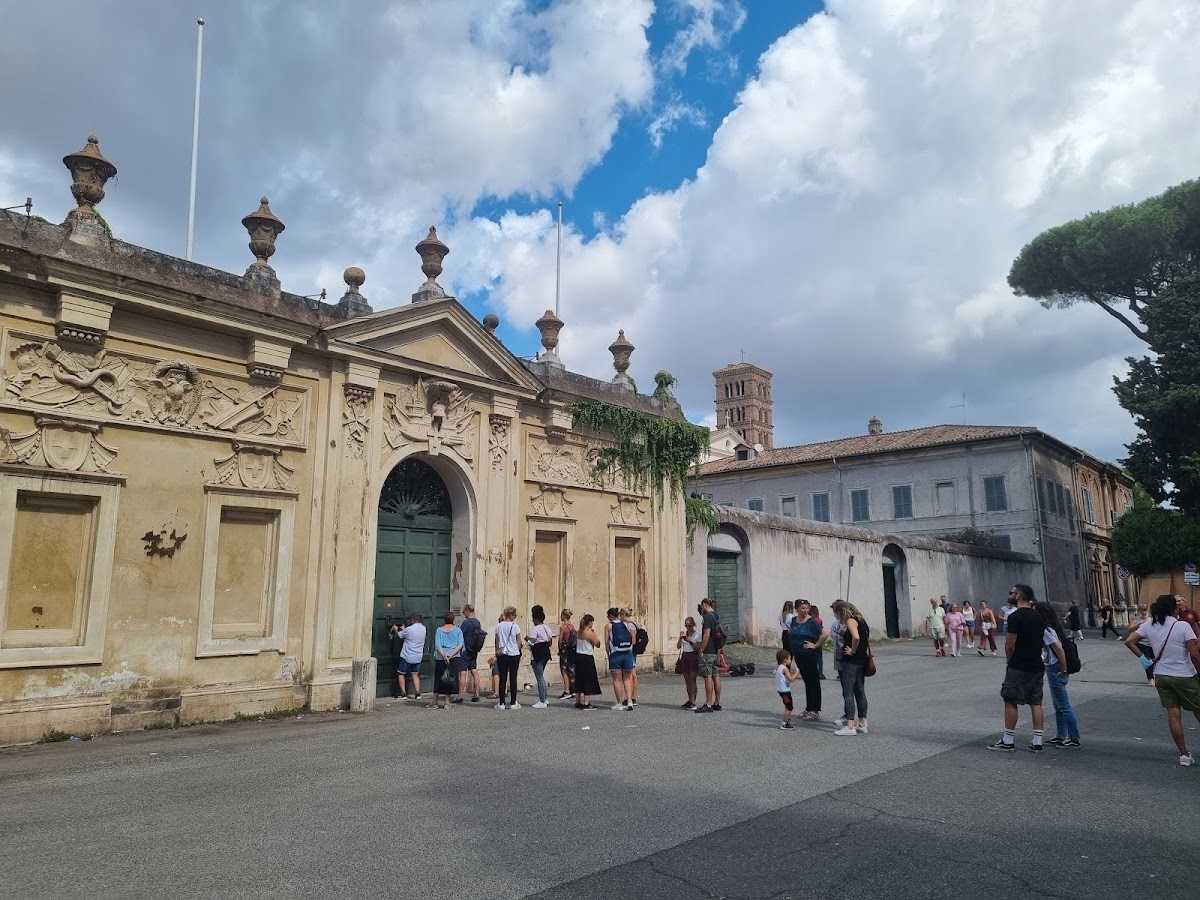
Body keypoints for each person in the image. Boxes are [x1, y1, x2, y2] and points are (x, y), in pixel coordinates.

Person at [1126, 594, 1200, 766]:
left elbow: (1130, 641)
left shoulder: (1150, 625)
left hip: (1161, 675)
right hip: (1184, 674)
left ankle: (1184, 755)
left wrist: (1145, 660)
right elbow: (1194, 654)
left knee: (1173, 715)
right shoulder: (1182, 626)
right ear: (1173, 608)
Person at [988, 584, 1053, 752]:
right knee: (1036, 702)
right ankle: (1037, 740)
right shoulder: (1038, 616)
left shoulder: (1015, 617)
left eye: (1012, 593)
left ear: (1019, 596)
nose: (1009, 595)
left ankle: (1008, 739)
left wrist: (1010, 661)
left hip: (1020, 664)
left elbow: (1010, 644)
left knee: (1010, 699)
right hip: (1037, 664)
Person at [1037, 602, 1080, 747]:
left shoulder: (1046, 630)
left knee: (1064, 705)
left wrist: (1063, 668)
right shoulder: (1052, 628)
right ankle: (1061, 735)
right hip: (1055, 666)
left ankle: (1074, 737)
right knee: (1058, 705)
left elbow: (1059, 649)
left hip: (1055, 667)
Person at [831, 599, 869, 736]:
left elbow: (856, 637)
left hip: (851, 661)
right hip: (861, 660)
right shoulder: (862, 621)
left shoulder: (850, 621)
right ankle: (863, 722)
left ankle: (850, 725)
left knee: (848, 692)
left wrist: (852, 650)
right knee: (860, 691)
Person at [788, 599, 829, 720]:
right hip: (799, 655)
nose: (805, 610)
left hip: (810, 655)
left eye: (807, 608)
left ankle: (815, 709)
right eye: (802, 608)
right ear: (797, 609)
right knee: (807, 682)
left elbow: (825, 633)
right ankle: (808, 708)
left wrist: (816, 645)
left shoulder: (811, 621)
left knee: (814, 682)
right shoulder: (793, 620)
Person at [430, 611, 464, 709]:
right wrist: (451, 655)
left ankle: (435, 701)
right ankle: (447, 702)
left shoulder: (439, 630)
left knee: (438, 679)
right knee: (449, 679)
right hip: (454, 658)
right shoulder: (457, 630)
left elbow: (438, 645)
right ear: (453, 619)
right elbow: (460, 644)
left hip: (441, 658)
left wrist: (444, 655)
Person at [695, 597, 724, 713]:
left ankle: (708, 704)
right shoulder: (717, 616)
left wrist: (701, 649)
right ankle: (717, 702)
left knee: (708, 677)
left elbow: (706, 635)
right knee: (716, 675)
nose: (701, 609)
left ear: (704, 604)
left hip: (708, 650)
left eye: (702, 606)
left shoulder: (707, 617)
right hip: (716, 650)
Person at [391, 612, 427, 701]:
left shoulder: (409, 629)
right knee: (415, 674)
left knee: (401, 673)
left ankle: (403, 693)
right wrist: (404, 629)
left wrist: (396, 629)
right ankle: (418, 693)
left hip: (407, 655)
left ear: (413, 620)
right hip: (418, 655)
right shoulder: (423, 628)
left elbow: (400, 635)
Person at [605, 607, 635, 711]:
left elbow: (606, 642)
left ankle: (619, 703)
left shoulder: (609, 626)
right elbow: (632, 639)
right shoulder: (626, 624)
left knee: (617, 680)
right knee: (627, 678)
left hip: (616, 654)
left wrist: (608, 654)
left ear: (610, 616)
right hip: (627, 653)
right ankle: (630, 701)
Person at [493, 606, 523, 710]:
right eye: (514, 614)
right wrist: (518, 649)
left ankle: (501, 703)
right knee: (513, 678)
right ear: (510, 615)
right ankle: (513, 702)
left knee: (503, 678)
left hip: (502, 654)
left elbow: (496, 641)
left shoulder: (499, 626)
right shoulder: (515, 626)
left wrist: (496, 652)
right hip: (514, 653)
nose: (515, 616)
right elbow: (519, 641)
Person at [526, 605, 554, 709]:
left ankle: (542, 700)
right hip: (546, 653)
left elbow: (531, 643)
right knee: (542, 676)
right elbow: (550, 642)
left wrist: (527, 639)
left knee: (539, 677)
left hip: (537, 654)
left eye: (533, 619)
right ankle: (545, 698)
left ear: (536, 619)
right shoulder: (547, 628)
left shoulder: (536, 629)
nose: (533, 620)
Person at [572, 614, 602, 710]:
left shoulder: (578, 633)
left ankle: (577, 701)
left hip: (578, 656)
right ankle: (586, 702)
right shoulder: (589, 633)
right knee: (588, 679)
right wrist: (595, 634)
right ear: (589, 623)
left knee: (579, 678)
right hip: (587, 658)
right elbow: (598, 644)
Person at [460, 604, 483, 702]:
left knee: (463, 673)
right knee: (474, 671)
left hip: (465, 650)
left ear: (467, 611)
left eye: (463, 612)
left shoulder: (466, 623)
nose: (463, 614)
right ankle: (477, 694)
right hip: (474, 649)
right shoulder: (477, 622)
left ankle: (460, 696)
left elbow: (460, 634)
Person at [677, 615, 701, 709]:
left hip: (693, 656)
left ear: (693, 625)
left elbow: (698, 649)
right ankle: (690, 699)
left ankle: (693, 701)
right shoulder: (684, 634)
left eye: (690, 626)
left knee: (692, 679)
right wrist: (680, 638)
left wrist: (690, 641)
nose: (688, 628)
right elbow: (678, 646)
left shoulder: (698, 635)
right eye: (686, 626)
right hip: (685, 655)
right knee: (687, 680)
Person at [774, 649, 801, 729]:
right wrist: (797, 672)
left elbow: (784, 676)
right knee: (789, 707)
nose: (790, 660)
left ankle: (787, 720)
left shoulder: (780, 667)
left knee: (787, 705)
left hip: (781, 690)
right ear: (785, 659)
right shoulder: (785, 669)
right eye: (789, 659)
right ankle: (784, 723)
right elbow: (791, 679)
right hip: (784, 691)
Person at [1128, 604, 1154, 682]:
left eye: (1145, 610)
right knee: (1147, 659)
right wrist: (1138, 624)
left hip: (1152, 642)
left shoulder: (1151, 619)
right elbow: (1129, 629)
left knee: (1153, 659)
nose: (1143, 612)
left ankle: (1153, 674)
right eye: (1142, 610)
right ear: (1139, 611)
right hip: (1142, 642)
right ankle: (1151, 678)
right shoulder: (1136, 619)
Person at [622, 608, 642, 706]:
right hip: (633, 651)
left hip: (630, 651)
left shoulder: (630, 625)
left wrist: (626, 646)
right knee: (632, 674)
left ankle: (632, 697)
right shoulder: (635, 623)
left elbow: (633, 640)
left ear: (623, 615)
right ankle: (632, 697)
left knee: (631, 675)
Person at [557, 608, 576, 700]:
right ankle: (573, 689)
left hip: (564, 649)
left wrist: (559, 649)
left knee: (564, 670)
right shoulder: (572, 626)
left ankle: (567, 690)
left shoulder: (563, 627)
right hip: (571, 650)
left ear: (563, 616)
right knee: (571, 669)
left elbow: (560, 640)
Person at [810, 604, 827, 679]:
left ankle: (813, 672)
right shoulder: (819, 620)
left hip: (812, 639)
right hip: (819, 639)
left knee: (812, 657)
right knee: (819, 657)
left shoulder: (811, 620)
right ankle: (820, 672)